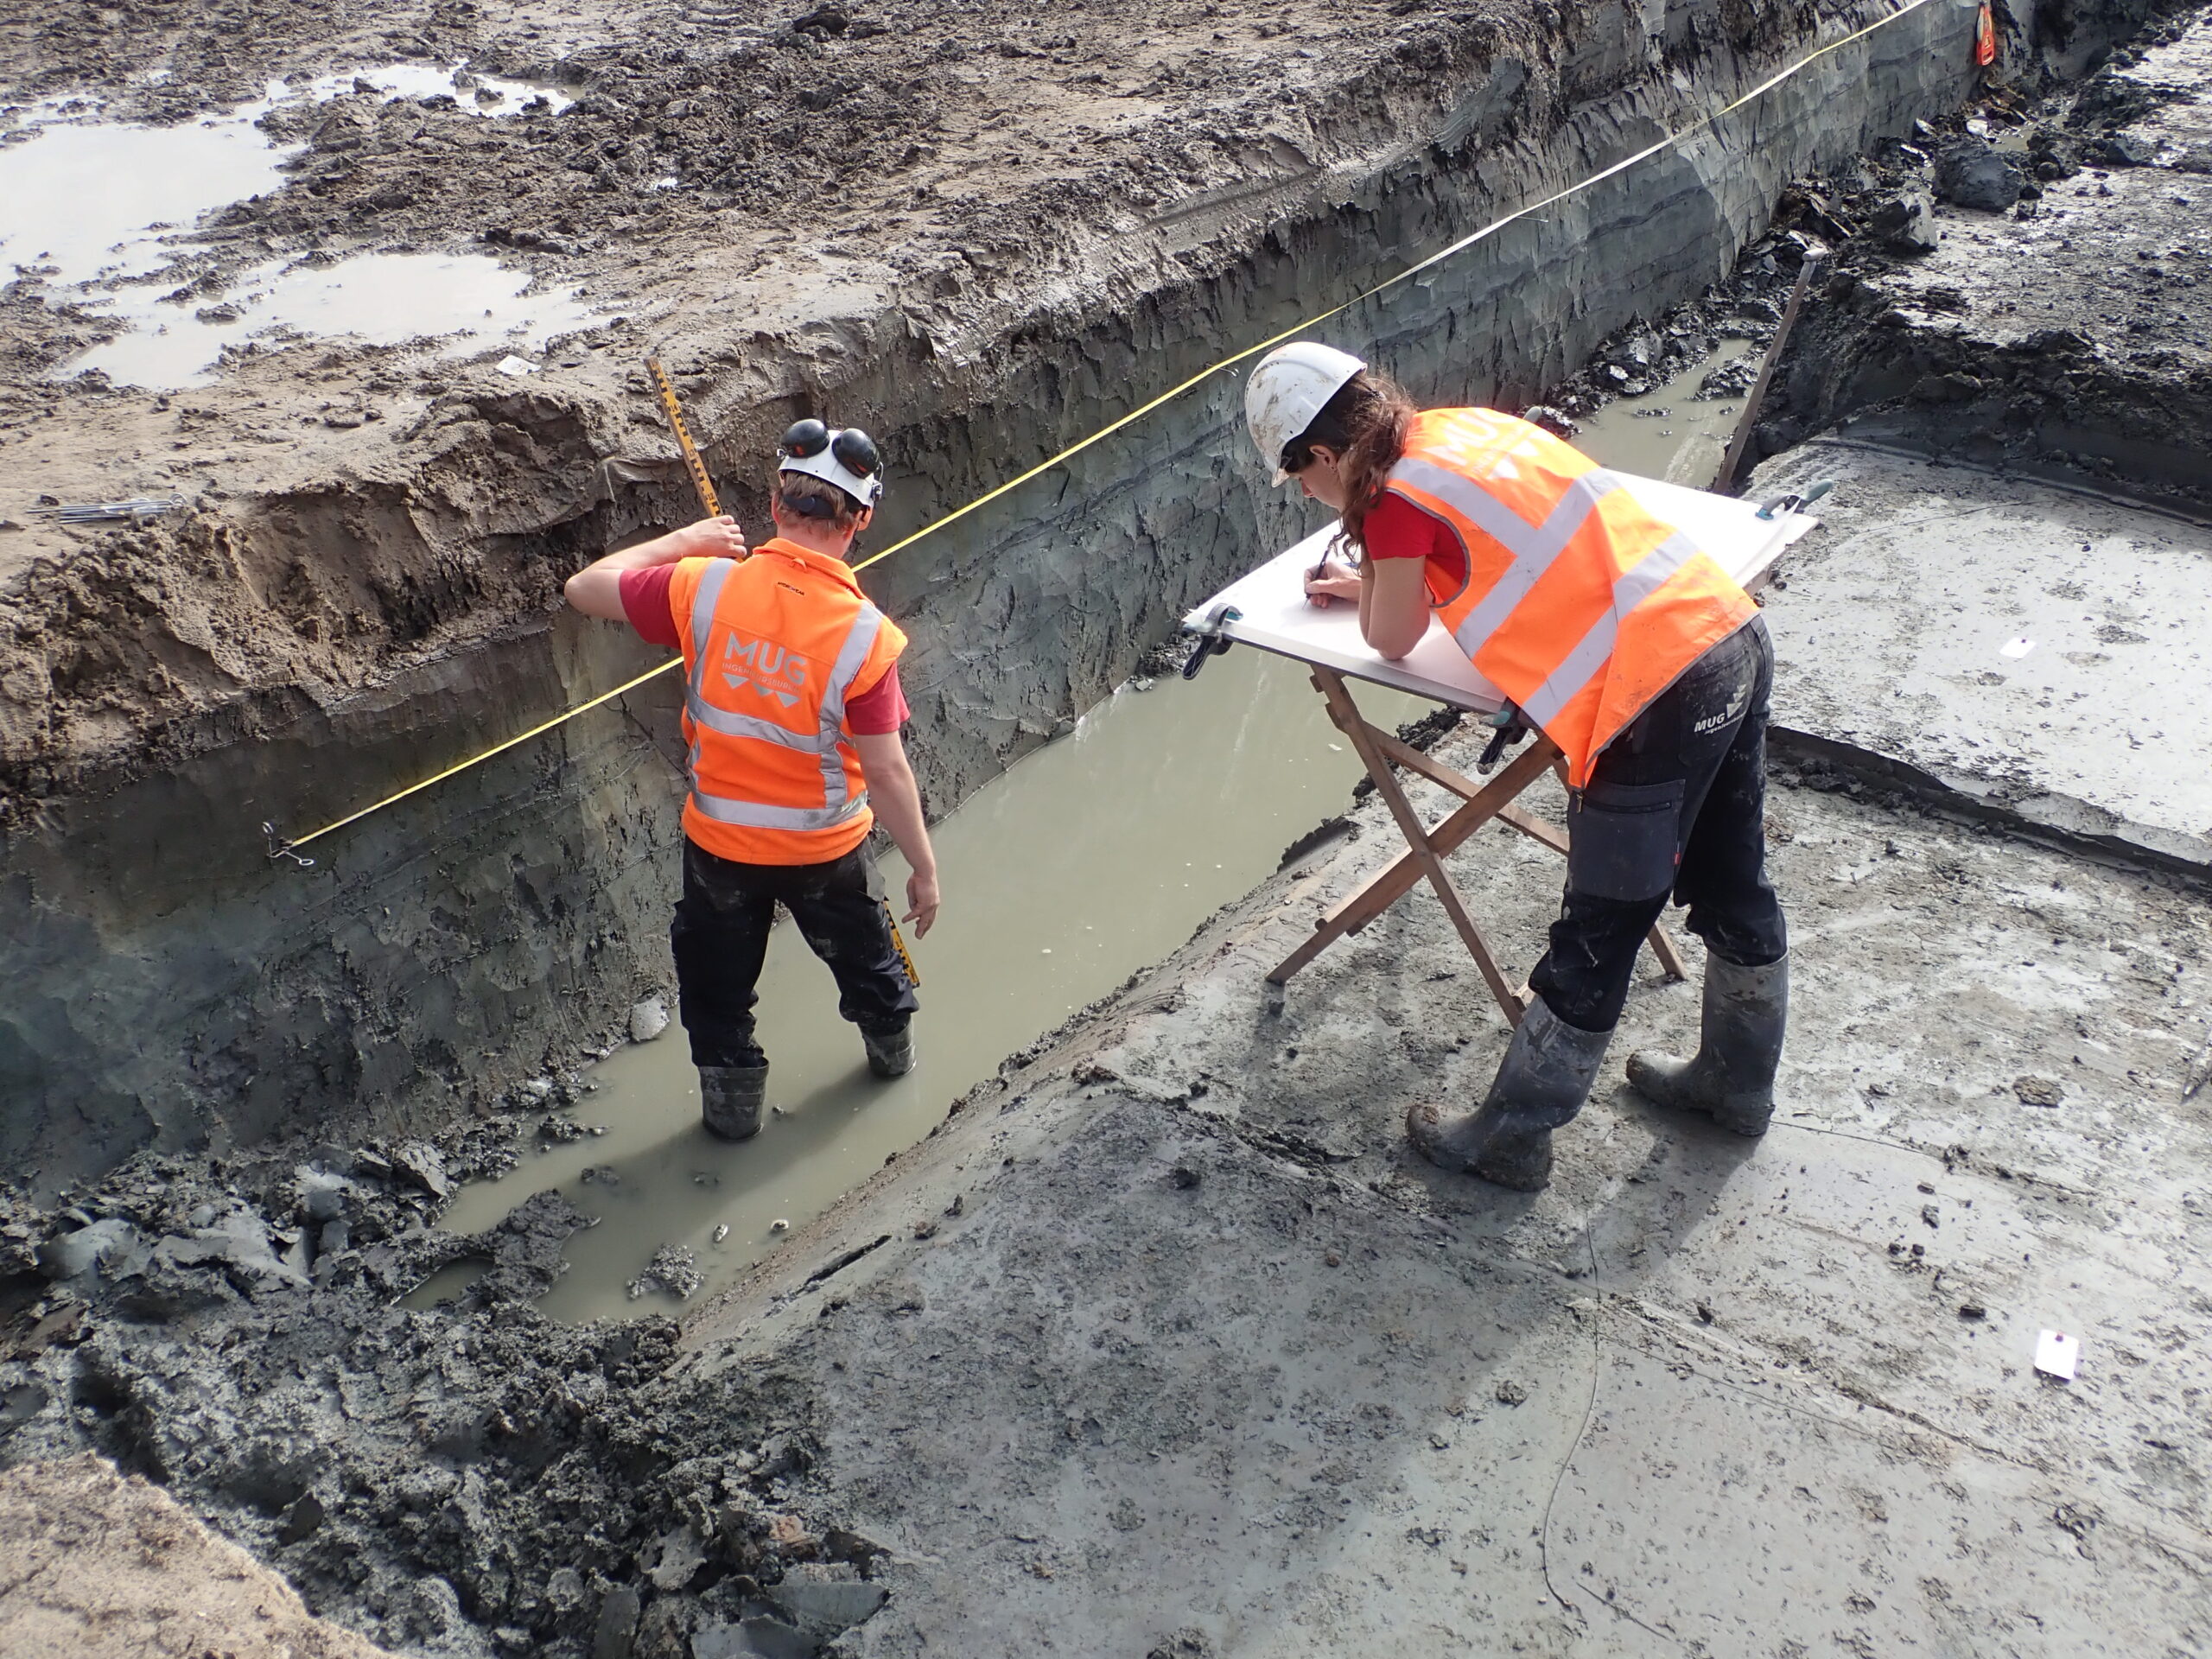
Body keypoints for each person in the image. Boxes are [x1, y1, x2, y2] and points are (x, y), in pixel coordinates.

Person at [1243, 341, 1788, 1191]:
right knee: (1734, 876)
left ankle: (1510, 1135)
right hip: (1724, 634)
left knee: (1599, 929)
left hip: (1649, 695)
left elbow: (1391, 637)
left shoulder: (1388, 502)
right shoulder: (1460, 433)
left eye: (1303, 482)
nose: (1312, 500)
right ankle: (1737, 1084)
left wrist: (1374, 582)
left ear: (1320, 454)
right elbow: (1495, 547)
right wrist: (1378, 579)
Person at [564, 420, 940, 1141]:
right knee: (871, 967)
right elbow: (888, 769)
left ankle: (733, 1122)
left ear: (776, 506)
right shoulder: (865, 635)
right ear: (861, 519)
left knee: (716, 994)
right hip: (826, 854)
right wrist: (924, 867)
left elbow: (586, 588)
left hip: (720, 851)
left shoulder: (703, 587)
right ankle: (894, 1064)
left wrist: (681, 545)